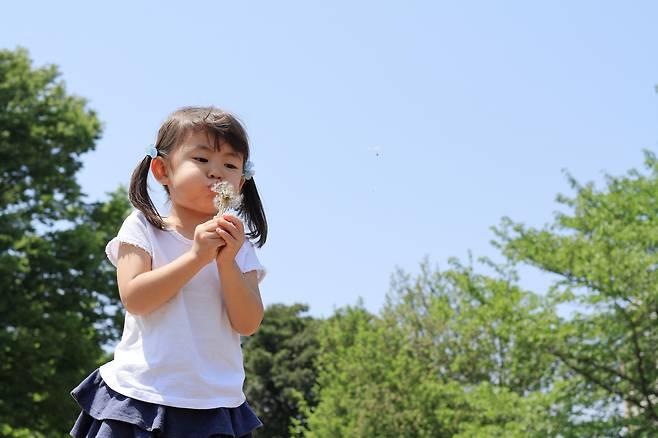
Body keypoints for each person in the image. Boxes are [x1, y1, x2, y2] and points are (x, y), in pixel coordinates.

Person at [69, 106, 268, 438]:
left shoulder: (239, 245)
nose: (217, 173)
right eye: (202, 160)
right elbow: (135, 298)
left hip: (213, 403)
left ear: (242, 183)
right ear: (162, 169)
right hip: (140, 395)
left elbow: (248, 322)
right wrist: (196, 256)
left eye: (230, 165)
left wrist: (225, 262)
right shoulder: (143, 228)